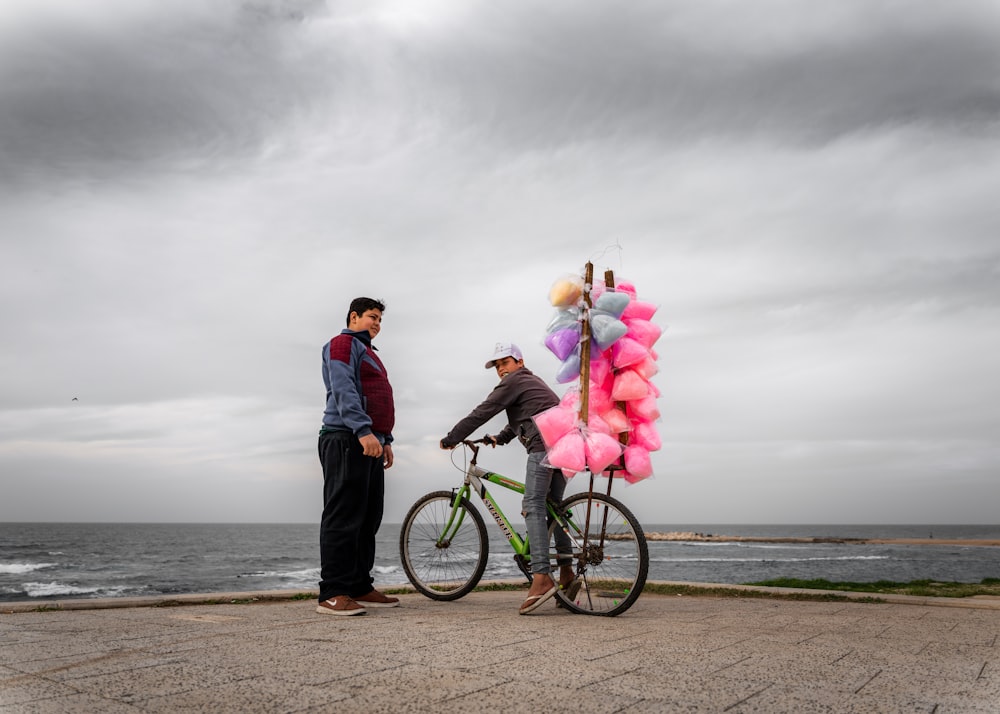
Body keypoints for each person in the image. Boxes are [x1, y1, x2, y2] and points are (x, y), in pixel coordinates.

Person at [440, 342, 579, 614]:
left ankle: (541, 578)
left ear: (519, 361)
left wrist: (452, 437)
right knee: (554, 510)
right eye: (497, 365)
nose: (501, 369)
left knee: (533, 506)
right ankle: (567, 574)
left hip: (544, 446)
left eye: (505, 362)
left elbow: (484, 411)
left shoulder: (515, 380)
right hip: (565, 445)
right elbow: (527, 413)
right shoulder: (530, 381)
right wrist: (501, 438)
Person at [316, 297, 399, 616]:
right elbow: (343, 388)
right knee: (343, 514)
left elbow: (379, 398)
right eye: (372, 317)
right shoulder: (341, 344)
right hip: (346, 437)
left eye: (380, 319)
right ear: (354, 317)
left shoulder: (370, 353)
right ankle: (332, 592)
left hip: (369, 441)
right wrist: (363, 430)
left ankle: (359, 585)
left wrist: (384, 438)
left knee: (368, 515)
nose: (377, 323)